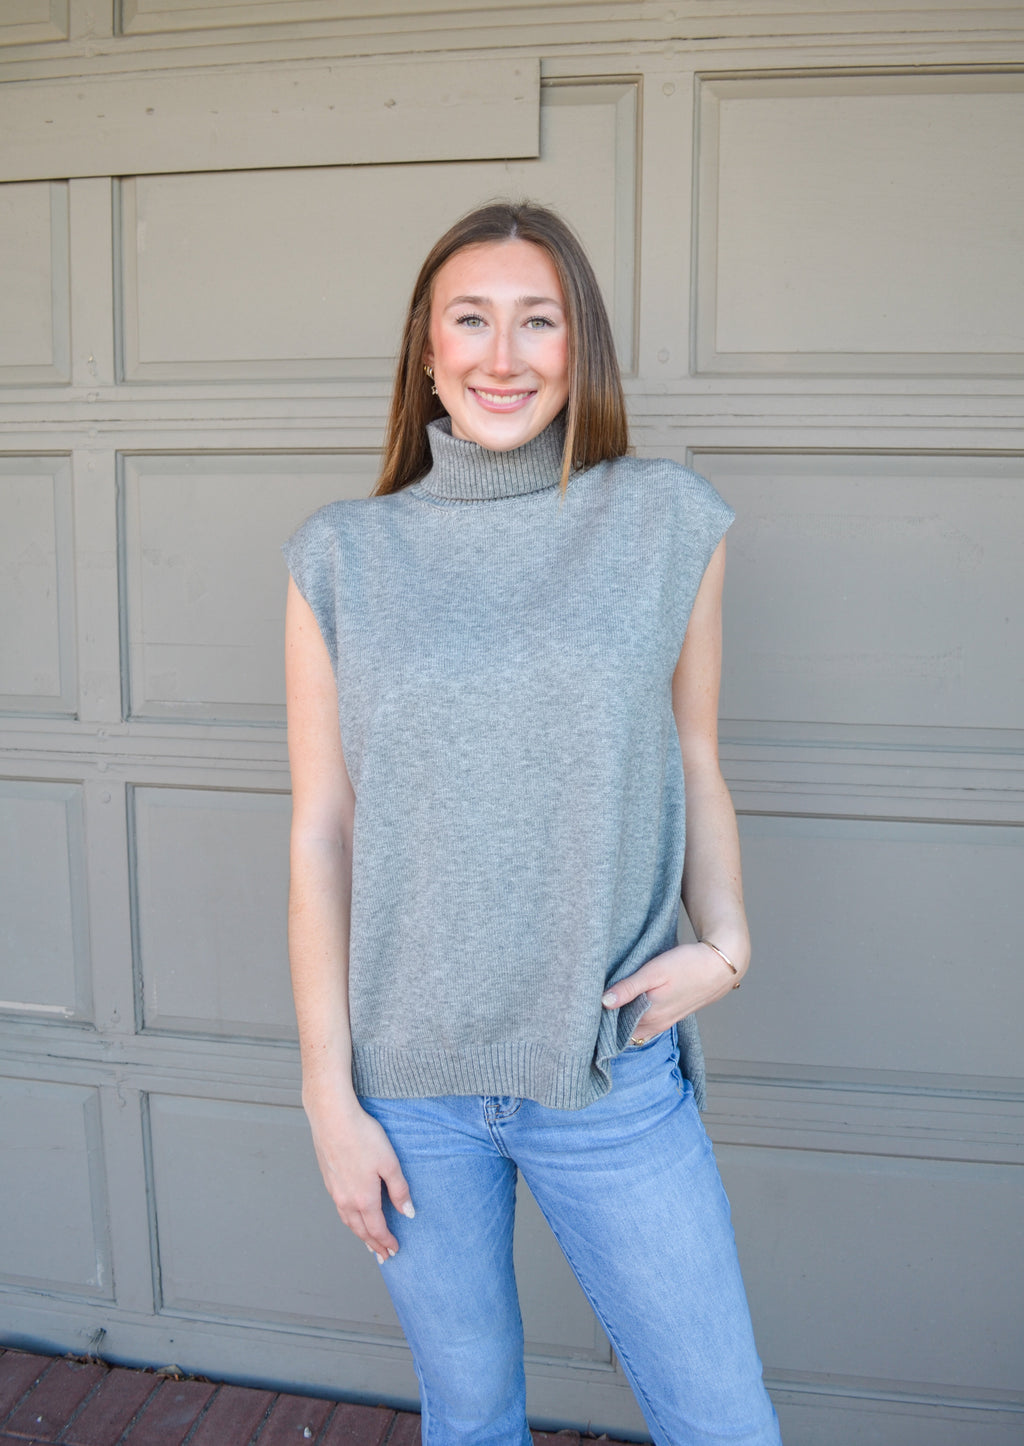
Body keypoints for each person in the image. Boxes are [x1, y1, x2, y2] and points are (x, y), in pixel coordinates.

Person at [282, 201, 782, 1446]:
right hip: (408, 1090)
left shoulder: (666, 521)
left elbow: (694, 756)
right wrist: (328, 1100)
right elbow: (321, 833)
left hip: (607, 1066)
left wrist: (727, 945)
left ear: (579, 346)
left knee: (721, 1421)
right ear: (427, 350)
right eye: (470, 320)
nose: (502, 356)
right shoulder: (340, 556)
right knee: (469, 1420)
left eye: (537, 321)